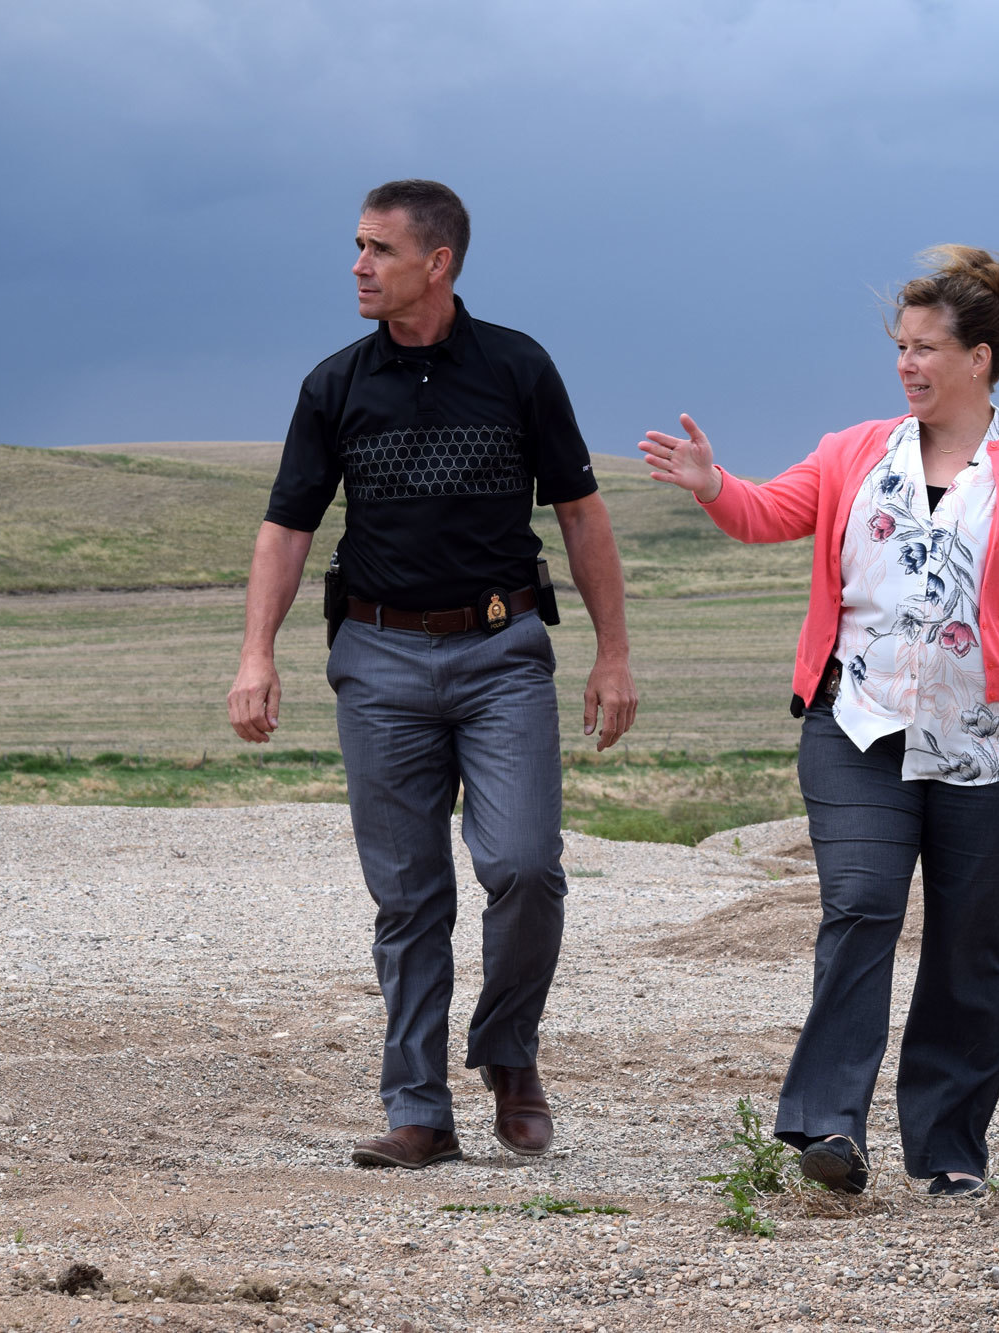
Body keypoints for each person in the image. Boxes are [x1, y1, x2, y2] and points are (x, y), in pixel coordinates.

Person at [639, 246, 999, 1196]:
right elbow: (768, 514)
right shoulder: (854, 451)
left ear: (980, 360)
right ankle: (827, 1130)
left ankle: (949, 1150)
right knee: (862, 906)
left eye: (926, 348)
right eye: (900, 347)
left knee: (972, 944)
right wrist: (715, 484)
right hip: (860, 727)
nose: (907, 365)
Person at [229, 180, 638, 1171]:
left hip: (500, 653)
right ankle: (417, 1110)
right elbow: (287, 526)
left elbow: (581, 513)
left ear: (436, 263)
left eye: (377, 249)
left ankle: (506, 1052)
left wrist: (613, 653)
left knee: (525, 868)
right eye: (356, 247)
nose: (358, 266)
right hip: (376, 659)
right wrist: (255, 653)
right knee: (409, 899)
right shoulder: (335, 385)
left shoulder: (516, 368)